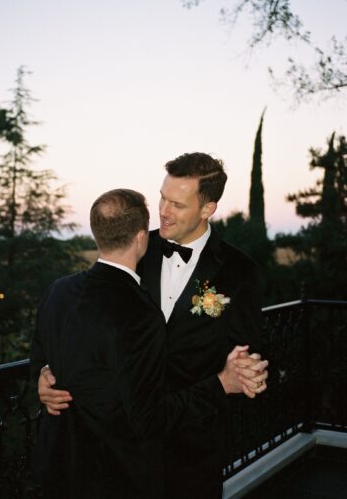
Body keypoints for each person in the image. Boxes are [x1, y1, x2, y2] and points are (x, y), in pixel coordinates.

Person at [37, 154, 268, 498]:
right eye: (162, 196)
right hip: (120, 455)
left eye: (177, 203)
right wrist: (42, 374)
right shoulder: (136, 246)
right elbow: (84, 324)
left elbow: (250, 353)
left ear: (208, 209)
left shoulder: (240, 272)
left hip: (192, 450)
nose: (163, 210)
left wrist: (250, 372)